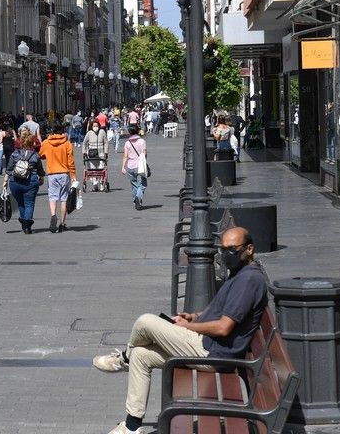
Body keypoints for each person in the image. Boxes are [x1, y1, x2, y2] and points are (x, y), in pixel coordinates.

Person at [93, 227, 267, 434]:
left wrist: (189, 326)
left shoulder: (248, 280)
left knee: (145, 321)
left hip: (213, 353)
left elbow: (223, 327)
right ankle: (131, 427)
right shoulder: (240, 273)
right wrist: (194, 316)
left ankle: (124, 359)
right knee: (142, 355)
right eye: (222, 249)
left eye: (231, 249)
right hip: (207, 345)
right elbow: (222, 311)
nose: (225, 254)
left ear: (249, 249)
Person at [2, 133, 45, 234]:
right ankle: (27, 226)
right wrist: (41, 178)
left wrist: (5, 181)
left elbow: (9, 169)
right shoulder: (35, 155)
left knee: (21, 203)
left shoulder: (15, 154)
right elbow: (40, 170)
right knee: (29, 203)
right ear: (32, 143)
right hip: (30, 182)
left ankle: (23, 221)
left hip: (15, 182)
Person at [40, 123, 77, 233]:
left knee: (52, 196)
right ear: (63, 131)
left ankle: (53, 215)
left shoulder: (46, 143)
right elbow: (71, 161)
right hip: (64, 173)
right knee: (64, 198)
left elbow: (40, 155)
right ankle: (62, 223)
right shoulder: (67, 144)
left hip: (52, 173)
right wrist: (73, 175)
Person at [122, 125, 147, 210]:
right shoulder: (142, 141)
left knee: (134, 185)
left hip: (130, 166)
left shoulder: (127, 143)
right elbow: (144, 154)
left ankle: (136, 201)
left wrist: (123, 167)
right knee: (142, 185)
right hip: (139, 166)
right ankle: (138, 198)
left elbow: (125, 156)